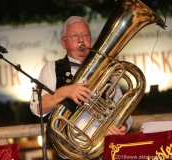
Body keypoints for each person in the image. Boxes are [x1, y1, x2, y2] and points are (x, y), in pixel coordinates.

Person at [30, 16, 133, 159]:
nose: (81, 40)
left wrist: (123, 126)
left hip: (105, 151)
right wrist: (65, 92)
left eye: (85, 35)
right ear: (63, 43)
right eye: (74, 36)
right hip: (70, 154)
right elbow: (37, 108)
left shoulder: (107, 69)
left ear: (91, 39)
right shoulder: (52, 68)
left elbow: (124, 109)